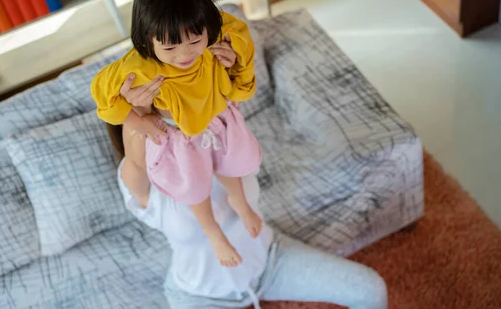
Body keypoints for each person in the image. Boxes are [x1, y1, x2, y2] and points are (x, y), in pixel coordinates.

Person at [108, 118, 389, 309]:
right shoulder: (144, 184)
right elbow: (136, 160)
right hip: (202, 298)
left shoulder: (217, 137)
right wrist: (135, 112)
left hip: (270, 262)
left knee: (370, 290)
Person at [92, 0, 264, 267]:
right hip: (177, 134)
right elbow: (102, 93)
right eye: (170, 47)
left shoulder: (216, 36)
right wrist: (138, 119)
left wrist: (235, 60)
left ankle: (240, 201)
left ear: (206, 26)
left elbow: (241, 46)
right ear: (148, 40)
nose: (184, 55)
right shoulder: (141, 67)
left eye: (195, 42)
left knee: (228, 159)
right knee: (195, 182)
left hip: (214, 119)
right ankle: (212, 232)